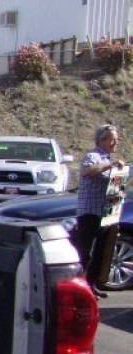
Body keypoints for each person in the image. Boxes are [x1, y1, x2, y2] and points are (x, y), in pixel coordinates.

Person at [76, 124, 124, 298]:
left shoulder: (107, 158)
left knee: (100, 252)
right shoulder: (93, 156)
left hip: (105, 214)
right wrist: (109, 165)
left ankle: (91, 285)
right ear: (101, 140)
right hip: (89, 213)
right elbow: (87, 171)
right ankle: (80, 288)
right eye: (112, 139)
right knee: (85, 252)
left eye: (116, 139)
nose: (115, 143)